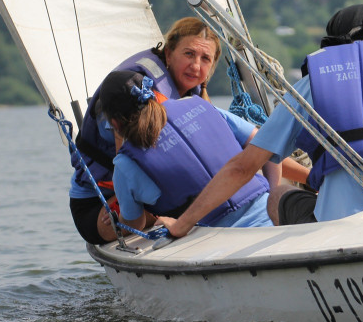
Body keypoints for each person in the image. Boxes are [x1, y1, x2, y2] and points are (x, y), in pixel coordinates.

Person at [158, 3, 363, 236]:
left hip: (339, 229)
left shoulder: (310, 88)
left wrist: (182, 224)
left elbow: (243, 167)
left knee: (277, 197)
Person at [68, 17, 289, 244]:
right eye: (189, 54)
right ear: (169, 53)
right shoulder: (192, 109)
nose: (195, 66)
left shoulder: (199, 107)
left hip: (170, 203)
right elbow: (264, 144)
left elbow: (261, 146)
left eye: (205, 59)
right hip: (99, 199)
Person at [98, 70, 273, 230]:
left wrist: (119, 219)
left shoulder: (125, 164)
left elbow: (135, 224)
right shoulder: (198, 105)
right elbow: (263, 142)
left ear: (114, 123)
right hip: (271, 214)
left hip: (216, 236)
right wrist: (273, 190)